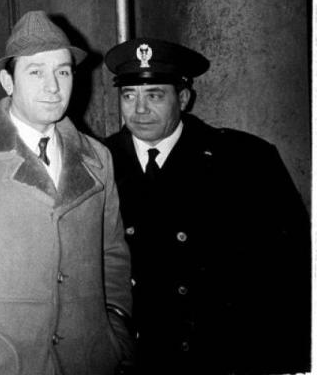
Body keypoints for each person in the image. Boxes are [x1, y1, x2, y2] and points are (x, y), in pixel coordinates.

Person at [0, 10, 134, 375]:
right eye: (36, 72)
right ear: (8, 81)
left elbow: (112, 253)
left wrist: (115, 330)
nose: (53, 87)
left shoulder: (98, 157)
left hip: (89, 362)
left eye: (63, 71)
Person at [103, 37, 311, 375]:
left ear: (183, 98)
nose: (139, 110)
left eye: (154, 95)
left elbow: (290, 272)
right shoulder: (97, 163)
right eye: (129, 96)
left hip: (218, 355)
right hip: (134, 357)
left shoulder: (245, 161)